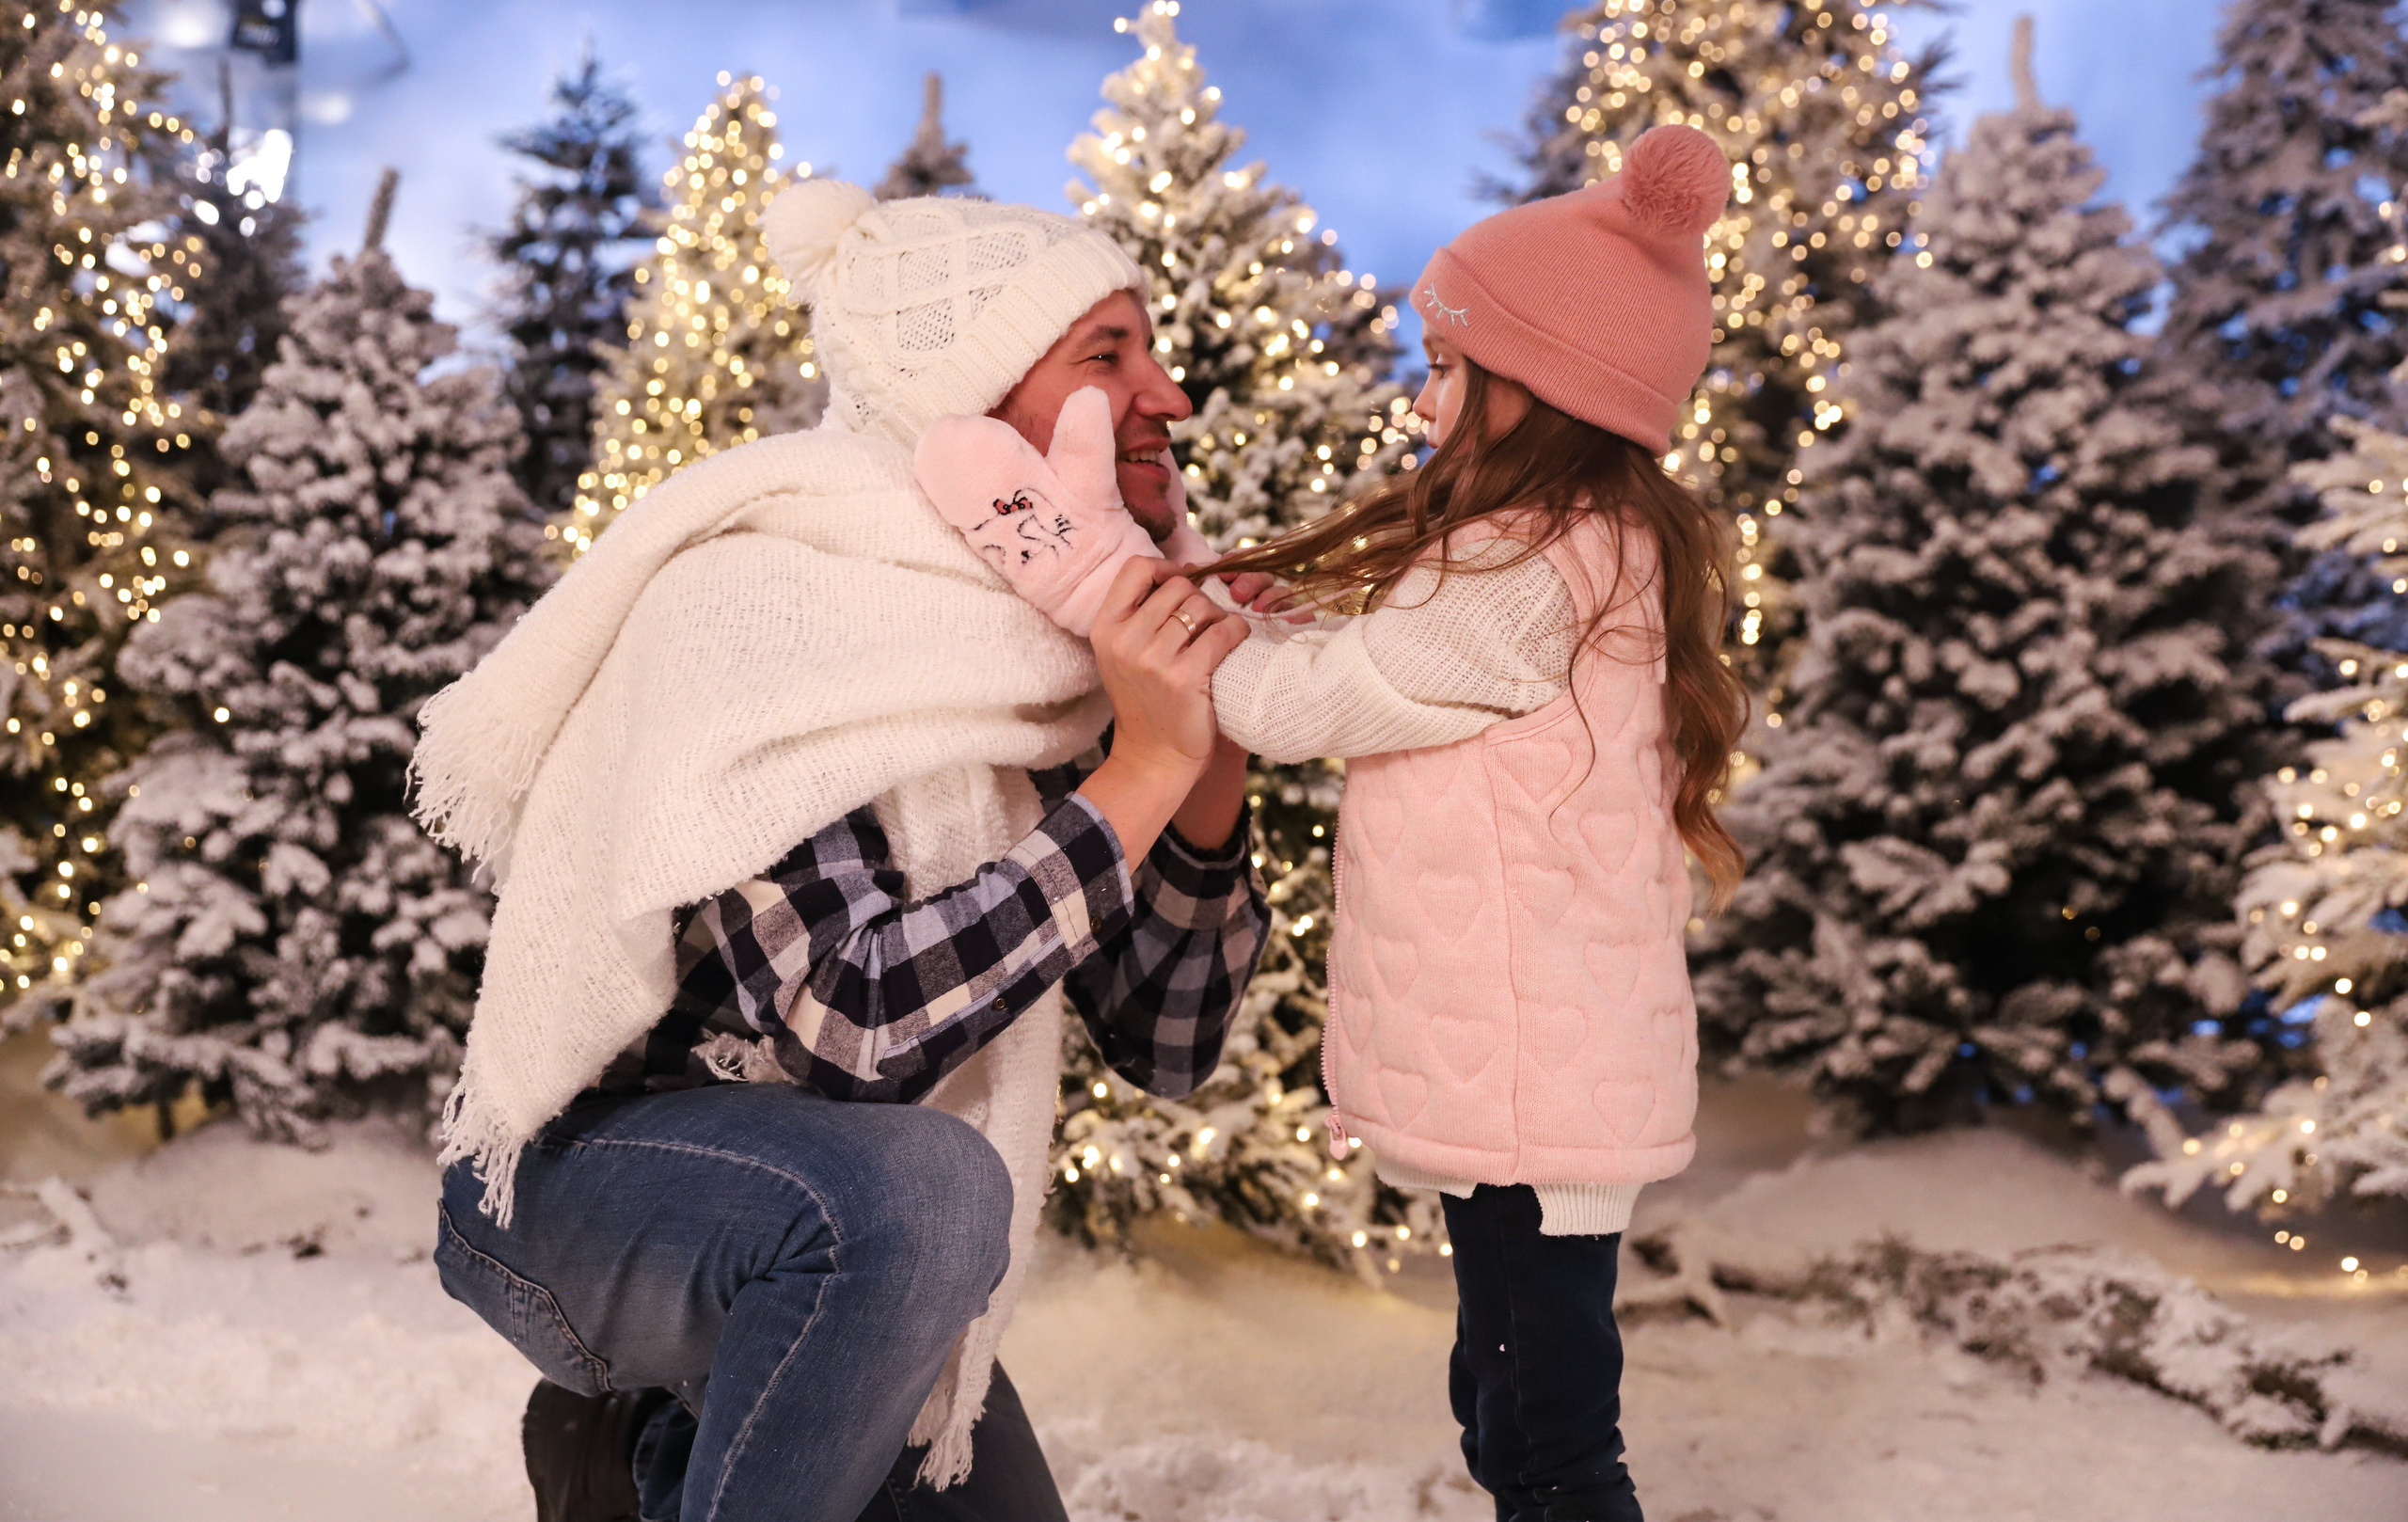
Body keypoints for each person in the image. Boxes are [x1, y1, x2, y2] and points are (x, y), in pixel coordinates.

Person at [409, 179, 1278, 1522]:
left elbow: (1171, 1041)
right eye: (1108, 354)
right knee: (925, 1187)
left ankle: (663, 1450)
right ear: (972, 398)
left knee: (912, 1214)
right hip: (591, 1188)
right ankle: (638, 1429)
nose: (1167, 393)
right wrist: (1141, 770)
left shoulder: (1048, 648)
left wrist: (1203, 747)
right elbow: (851, 1020)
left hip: (857, 1240)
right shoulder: (767, 599)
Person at [1197, 124, 1752, 1522]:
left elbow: (1303, 706)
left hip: (1527, 1094)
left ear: (1550, 381)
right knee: (1515, 1404)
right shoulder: (1572, 549)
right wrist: (1301, 616)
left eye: (1450, 365)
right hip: (1537, 1079)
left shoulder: (1525, 576)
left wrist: (1165, 628)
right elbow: (1414, 668)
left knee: (1548, 1442)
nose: (1426, 400)